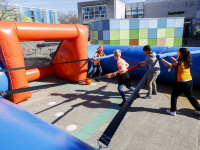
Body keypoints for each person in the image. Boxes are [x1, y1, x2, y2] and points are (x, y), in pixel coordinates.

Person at [157, 48, 200, 116]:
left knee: (174, 95)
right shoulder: (186, 60)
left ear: (181, 54)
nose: (177, 53)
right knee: (190, 96)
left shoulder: (178, 62)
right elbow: (176, 62)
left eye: (178, 52)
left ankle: (173, 111)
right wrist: (171, 57)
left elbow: (169, 65)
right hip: (189, 81)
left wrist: (161, 59)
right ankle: (199, 109)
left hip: (182, 82)